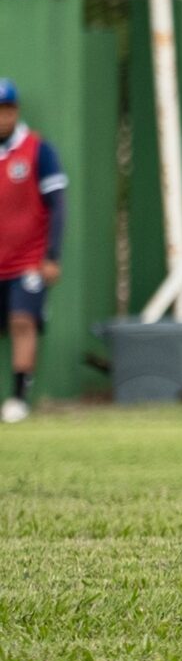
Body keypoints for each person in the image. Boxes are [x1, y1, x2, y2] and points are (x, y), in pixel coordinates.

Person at [0, 80, 66, 425]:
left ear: (15, 111)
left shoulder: (38, 150)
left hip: (28, 261)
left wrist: (52, 256)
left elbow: (58, 205)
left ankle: (19, 398)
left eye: (5, 110)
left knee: (22, 322)